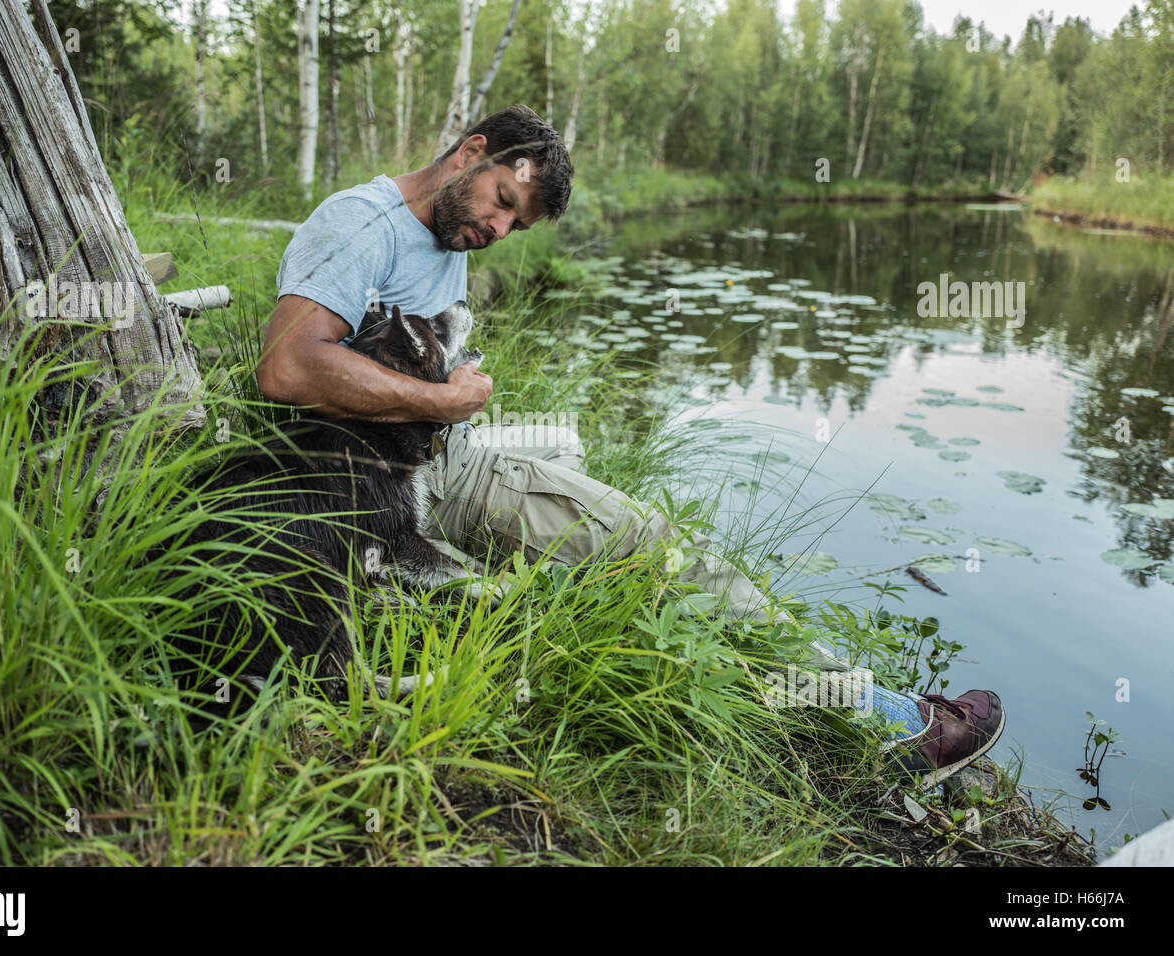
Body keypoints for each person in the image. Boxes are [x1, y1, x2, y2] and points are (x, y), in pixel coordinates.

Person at [256, 103, 1004, 790]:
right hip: (404, 475)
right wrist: (444, 399)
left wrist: (455, 387)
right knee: (657, 545)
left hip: (438, 444)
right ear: (471, 153)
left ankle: (558, 563)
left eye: (517, 227)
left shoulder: (443, 235)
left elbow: (398, 357)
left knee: (570, 442)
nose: (498, 231)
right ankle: (891, 726)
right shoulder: (362, 223)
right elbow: (287, 367)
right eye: (504, 205)